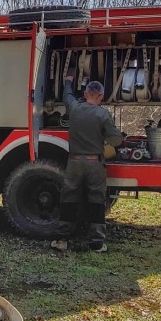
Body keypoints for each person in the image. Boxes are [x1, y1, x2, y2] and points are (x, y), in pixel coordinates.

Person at [53, 77, 123, 253]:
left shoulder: (75, 108)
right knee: (97, 201)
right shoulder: (103, 115)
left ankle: (62, 240)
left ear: (85, 94)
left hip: (74, 162)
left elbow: (67, 95)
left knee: (68, 198)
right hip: (95, 165)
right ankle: (97, 242)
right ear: (100, 96)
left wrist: (68, 81)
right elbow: (115, 140)